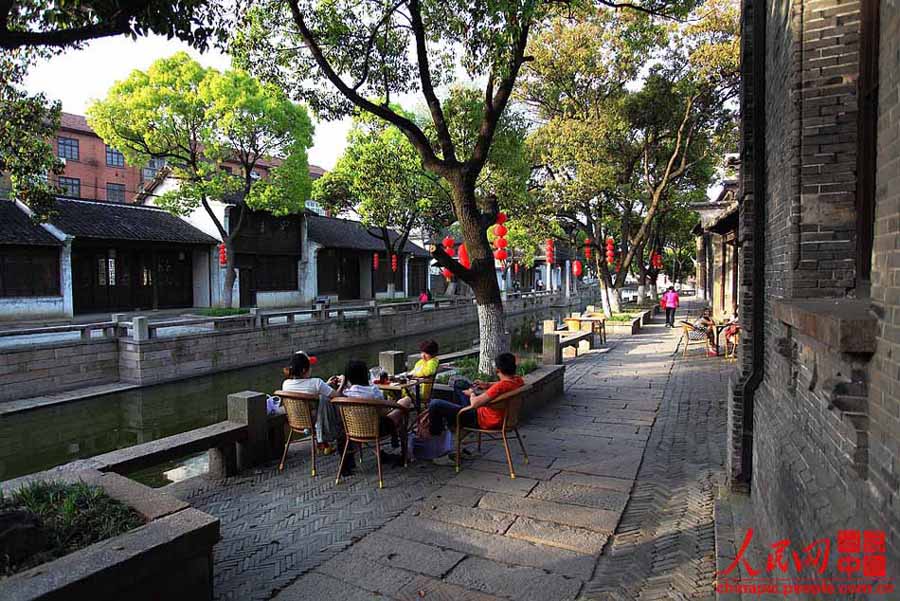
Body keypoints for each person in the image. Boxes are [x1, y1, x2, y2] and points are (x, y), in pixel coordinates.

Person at [428, 352, 524, 466]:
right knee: (459, 384)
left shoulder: (500, 387)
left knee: (435, 404)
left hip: (481, 419)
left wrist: (472, 393)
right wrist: (487, 384)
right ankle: (457, 427)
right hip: (498, 417)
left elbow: (475, 403)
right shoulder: (517, 380)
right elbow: (503, 383)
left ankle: (440, 450)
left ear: (497, 370)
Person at [340, 359, 414, 460]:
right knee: (406, 401)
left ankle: (395, 444)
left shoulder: (345, 394)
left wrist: (342, 383)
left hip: (353, 430)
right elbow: (383, 412)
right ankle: (404, 452)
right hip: (377, 429)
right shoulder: (373, 391)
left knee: (397, 408)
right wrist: (393, 406)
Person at [281, 351, 342, 453]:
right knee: (328, 403)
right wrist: (342, 383)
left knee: (322, 398)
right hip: (315, 420)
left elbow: (306, 389)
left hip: (296, 420)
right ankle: (333, 440)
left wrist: (326, 385)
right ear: (305, 370)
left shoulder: (286, 384)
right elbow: (337, 396)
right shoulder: (316, 382)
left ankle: (321, 443)